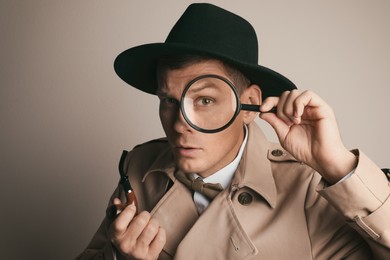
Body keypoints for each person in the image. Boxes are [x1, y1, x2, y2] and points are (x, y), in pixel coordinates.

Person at [77, 3, 389, 260]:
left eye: (205, 99)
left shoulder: (307, 189)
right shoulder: (139, 170)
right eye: (169, 100)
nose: (179, 123)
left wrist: (340, 166)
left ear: (249, 104)